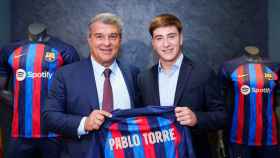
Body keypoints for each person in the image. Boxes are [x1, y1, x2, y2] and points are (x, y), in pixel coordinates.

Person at [43, 12, 139, 158]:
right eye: (99, 36)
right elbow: (49, 117)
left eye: (113, 36)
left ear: (120, 40)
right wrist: (85, 123)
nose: (107, 43)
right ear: (89, 39)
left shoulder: (133, 73)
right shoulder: (65, 75)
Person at [137, 13, 226, 158]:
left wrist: (196, 118)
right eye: (159, 38)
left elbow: (222, 116)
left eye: (171, 36)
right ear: (153, 43)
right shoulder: (143, 78)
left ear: (181, 38)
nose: (166, 44)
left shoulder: (203, 73)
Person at [0, 23, 80, 158]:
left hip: (54, 134)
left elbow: (75, 91)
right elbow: (0, 89)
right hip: (20, 133)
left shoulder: (65, 50)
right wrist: (19, 102)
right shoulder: (9, 50)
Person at [220, 46, 280, 158]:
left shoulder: (274, 67)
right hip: (238, 135)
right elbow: (220, 98)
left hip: (269, 135)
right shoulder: (229, 67)